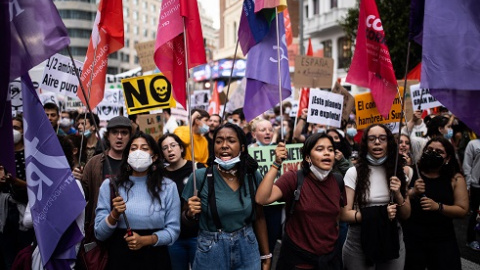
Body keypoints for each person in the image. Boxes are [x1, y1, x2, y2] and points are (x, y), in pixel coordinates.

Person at [182, 123, 271, 269]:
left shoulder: (252, 176)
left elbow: (259, 217)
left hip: (247, 247)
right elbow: (185, 219)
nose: (224, 145)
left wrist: (266, 256)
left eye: (231, 140)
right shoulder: (199, 177)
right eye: (219, 141)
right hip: (211, 250)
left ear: (242, 147)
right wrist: (190, 214)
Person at [256, 133, 345, 270]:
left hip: (330, 260)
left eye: (330, 149)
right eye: (320, 149)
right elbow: (262, 199)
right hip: (299, 261)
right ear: (308, 157)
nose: (327, 153)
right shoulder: (293, 178)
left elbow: (338, 217)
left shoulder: (338, 181)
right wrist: (276, 164)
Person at [95, 132, 180, 269]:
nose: (138, 152)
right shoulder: (110, 186)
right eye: (134, 148)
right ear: (127, 155)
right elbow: (99, 233)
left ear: (155, 157)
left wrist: (146, 240)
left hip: (155, 260)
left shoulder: (168, 187)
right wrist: (114, 214)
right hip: (120, 259)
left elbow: (173, 231)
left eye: (144, 148)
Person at [341, 124, 411, 270]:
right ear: (365, 144)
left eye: (382, 139)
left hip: (391, 238)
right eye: (372, 139)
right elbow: (344, 214)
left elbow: (406, 214)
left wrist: (398, 193)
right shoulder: (354, 173)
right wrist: (380, 214)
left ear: (389, 143)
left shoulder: (397, 172)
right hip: (359, 241)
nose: (377, 142)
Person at [403, 137, 468, 269]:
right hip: (412, 238)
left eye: (439, 152)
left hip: (442, 239)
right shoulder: (409, 172)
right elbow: (397, 199)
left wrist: (438, 207)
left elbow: (462, 210)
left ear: (448, 158)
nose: (433, 153)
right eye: (430, 150)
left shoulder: (455, 179)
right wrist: (413, 192)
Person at [80, 116, 132, 236]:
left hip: (127, 229)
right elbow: (83, 195)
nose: (119, 136)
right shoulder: (94, 163)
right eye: (115, 132)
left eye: (124, 133)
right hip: (100, 228)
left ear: (130, 136)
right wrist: (74, 180)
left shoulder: (135, 163)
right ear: (108, 136)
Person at [159, 134, 198, 270]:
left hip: (197, 235)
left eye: (173, 145)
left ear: (181, 148)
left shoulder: (196, 168)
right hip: (173, 237)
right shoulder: (160, 175)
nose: (170, 150)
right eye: (165, 148)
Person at [0, 115, 34, 269]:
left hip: (26, 211)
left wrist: (15, 181)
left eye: (17, 128)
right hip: (5, 214)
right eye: (11, 128)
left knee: (24, 254)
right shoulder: (3, 155)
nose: (13, 131)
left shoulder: (31, 156)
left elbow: (36, 185)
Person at [463, 135, 480, 251]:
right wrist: (468, 185)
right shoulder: (473, 144)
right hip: (476, 185)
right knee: (475, 213)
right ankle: (471, 239)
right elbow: (467, 166)